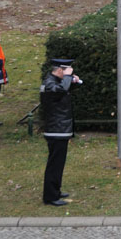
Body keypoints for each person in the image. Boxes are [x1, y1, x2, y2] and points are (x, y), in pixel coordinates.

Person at [40, 58, 80, 206]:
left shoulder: (55, 82)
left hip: (60, 129)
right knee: (54, 164)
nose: (68, 74)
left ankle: (55, 190)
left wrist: (72, 81)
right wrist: (68, 78)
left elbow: (64, 92)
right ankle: (50, 196)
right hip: (56, 130)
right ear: (59, 70)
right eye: (66, 71)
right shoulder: (51, 84)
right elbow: (61, 91)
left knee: (59, 163)